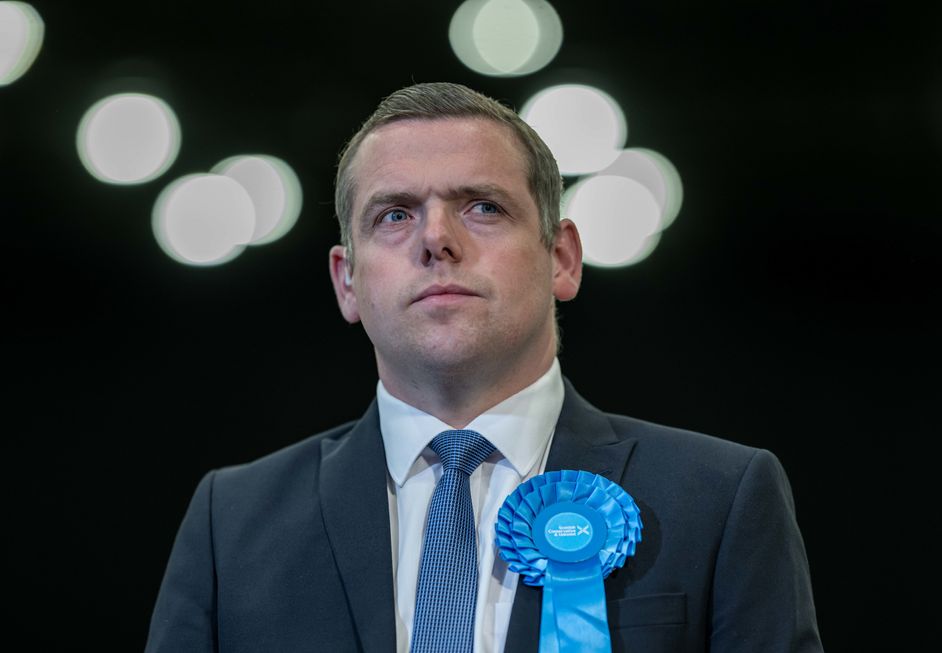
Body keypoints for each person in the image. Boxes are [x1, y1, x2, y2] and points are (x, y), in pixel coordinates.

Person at [145, 82, 823, 653]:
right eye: (394, 214)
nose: (436, 238)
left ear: (561, 257)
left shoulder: (721, 500)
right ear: (347, 281)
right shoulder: (228, 524)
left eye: (483, 206)